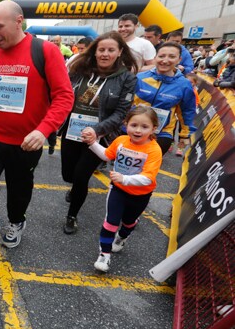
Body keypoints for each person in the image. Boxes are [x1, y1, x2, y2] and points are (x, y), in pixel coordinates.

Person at [0, 1, 74, 260]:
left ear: (18, 21)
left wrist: (43, 130)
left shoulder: (45, 51)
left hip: (26, 143)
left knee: (19, 190)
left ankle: (16, 221)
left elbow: (64, 96)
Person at [59, 32, 137, 234]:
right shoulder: (78, 70)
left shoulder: (126, 78)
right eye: (101, 50)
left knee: (81, 176)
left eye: (111, 50)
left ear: (119, 52)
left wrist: (97, 130)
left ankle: (72, 215)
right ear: (95, 51)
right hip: (72, 130)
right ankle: (75, 188)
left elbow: (121, 113)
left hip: (99, 136)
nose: (105, 54)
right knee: (69, 174)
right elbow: (64, 96)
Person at [87, 106, 163, 273]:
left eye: (144, 127)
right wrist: (92, 143)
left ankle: (122, 237)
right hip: (118, 190)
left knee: (128, 222)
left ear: (153, 129)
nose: (138, 130)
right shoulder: (121, 141)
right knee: (110, 222)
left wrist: (125, 178)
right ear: (125, 124)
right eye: (133, 125)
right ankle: (104, 255)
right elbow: (107, 155)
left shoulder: (154, 149)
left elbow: (148, 178)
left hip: (140, 195)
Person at [133, 42, 197, 154]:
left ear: (179, 59)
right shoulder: (140, 77)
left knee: (148, 169)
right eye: (161, 56)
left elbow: (187, 111)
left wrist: (185, 135)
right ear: (155, 57)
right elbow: (126, 102)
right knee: (122, 168)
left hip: (162, 133)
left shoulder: (184, 85)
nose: (165, 60)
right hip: (133, 129)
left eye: (172, 57)